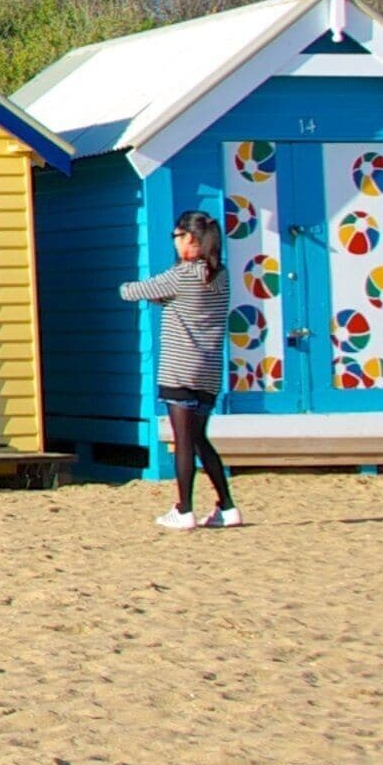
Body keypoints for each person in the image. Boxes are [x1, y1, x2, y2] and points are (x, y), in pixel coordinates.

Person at [123, 209, 241, 530]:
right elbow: (187, 301)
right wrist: (166, 299)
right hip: (209, 370)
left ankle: (184, 508)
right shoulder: (221, 275)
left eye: (177, 236)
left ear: (190, 238)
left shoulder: (182, 274)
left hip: (179, 368)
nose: (175, 242)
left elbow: (133, 290)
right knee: (200, 438)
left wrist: (142, 292)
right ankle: (227, 506)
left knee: (184, 441)